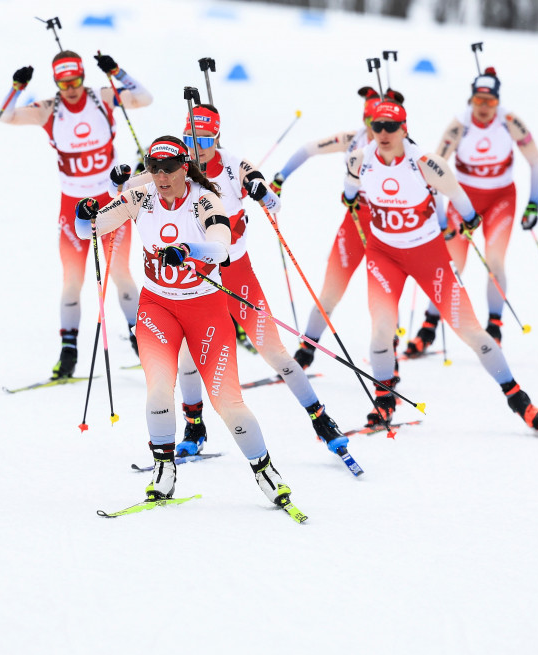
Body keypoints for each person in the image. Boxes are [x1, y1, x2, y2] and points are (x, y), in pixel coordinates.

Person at [76, 136, 303, 510]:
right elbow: (92, 231)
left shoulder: (203, 199)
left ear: (185, 167)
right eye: (153, 169)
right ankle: (163, 469)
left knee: (227, 402)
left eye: (168, 169)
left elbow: (221, 247)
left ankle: (265, 470)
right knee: (160, 389)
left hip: (206, 309)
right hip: (157, 309)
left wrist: (187, 250)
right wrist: (85, 216)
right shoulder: (141, 197)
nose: (161, 177)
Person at [112, 105, 349, 462]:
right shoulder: (173, 171)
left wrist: (259, 190)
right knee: (188, 359)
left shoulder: (232, 165)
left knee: (276, 353)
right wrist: (120, 178)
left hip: (235, 275)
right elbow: (126, 192)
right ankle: (195, 426)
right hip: (192, 283)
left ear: (217, 137)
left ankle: (320, 418)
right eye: (191, 138)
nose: (198, 145)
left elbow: (273, 202)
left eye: (206, 139)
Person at [345, 99, 538, 441]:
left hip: (427, 256)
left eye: (391, 127)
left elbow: (464, 205)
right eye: (377, 127)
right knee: (380, 330)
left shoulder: (427, 164)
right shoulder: (358, 160)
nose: (383, 134)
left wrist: (464, 224)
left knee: (473, 332)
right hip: (383, 254)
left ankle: (518, 398)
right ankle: (384, 400)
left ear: (404, 128)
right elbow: (349, 193)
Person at [2, 50, 153, 379]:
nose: (71, 88)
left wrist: (117, 70)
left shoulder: (102, 98)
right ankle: (68, 352)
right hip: (72, 207)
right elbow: (6, 117)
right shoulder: (48, 109)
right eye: (63, 81)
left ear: (84, 77)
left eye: (76, 80)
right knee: (72, 280)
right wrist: (16, 87)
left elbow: (144, 98)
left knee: (121, 274)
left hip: (111, 202)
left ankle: (141, 341)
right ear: (56, 81)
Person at [405, 66, 538, 355]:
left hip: (500, 200)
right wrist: (439, 215)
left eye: (490, 102)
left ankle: (494, 327)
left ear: (498, 101)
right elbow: (435, 169)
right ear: (471, 100)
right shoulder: (460, 125)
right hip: (463, 199)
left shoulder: (510, 122)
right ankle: (429, 327)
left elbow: (536, 162)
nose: (483, 108)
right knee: (451, 263)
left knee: (494, 260)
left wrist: (533, 202)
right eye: (478, 101)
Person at [271, 87, 404, 369]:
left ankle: (390, 353)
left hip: (389, 229)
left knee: (386, 295)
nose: (375, 130)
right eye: (369, 122)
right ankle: (307, 349)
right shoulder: (352, 139)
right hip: (355, 225)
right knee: (330, 291)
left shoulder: (403, 147)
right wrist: (282, 176)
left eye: (381, 123)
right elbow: (309, 149)